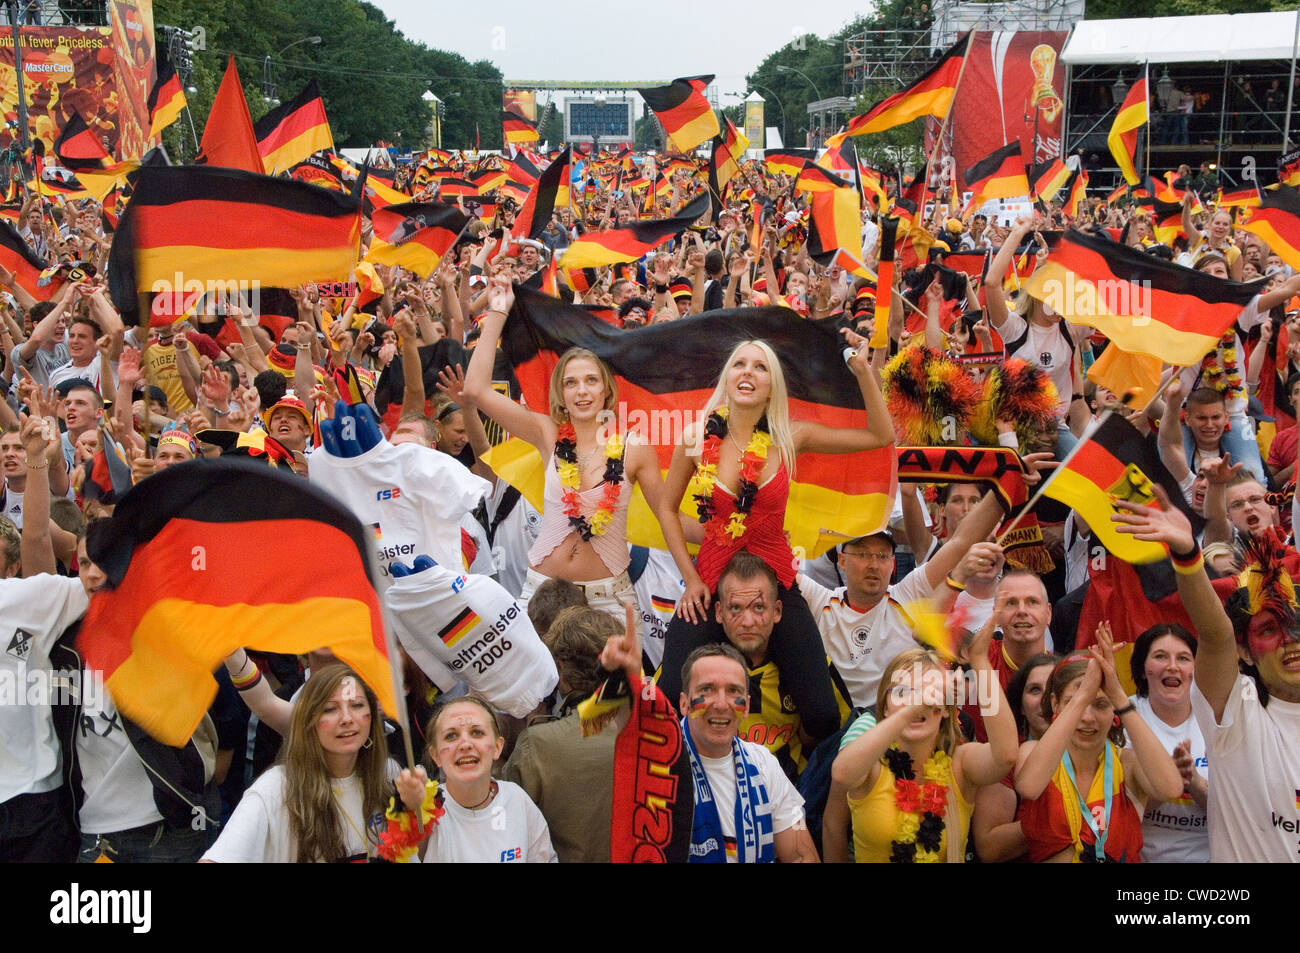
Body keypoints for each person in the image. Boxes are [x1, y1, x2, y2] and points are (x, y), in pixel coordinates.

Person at [656, 332, 895, 746]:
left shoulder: (790, 437)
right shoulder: (696, 437)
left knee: (821, 712)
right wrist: (691, 579)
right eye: (740, 364)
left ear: (772, 385)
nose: (748, 372)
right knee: (663, 703)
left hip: (779, 583)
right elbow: (666, 508)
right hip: (710, 582)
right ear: (727, 377)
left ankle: (799, 781)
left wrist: (862, 372)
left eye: (760, 366)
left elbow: (880, 434)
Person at [462, 276, 701, 623]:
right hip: (541, 591)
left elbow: (671, 517)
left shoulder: (634, 448)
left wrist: (733, 534)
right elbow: (476, 391)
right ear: (560, 394)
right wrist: (497, 311)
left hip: (609, 598)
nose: (582, 391)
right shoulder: (547, 433)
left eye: (591, 380)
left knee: (618, 680)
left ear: (606, 389)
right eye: (570, 383)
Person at [1113, 486, 1300, 861]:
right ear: (1244, 651)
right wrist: (1187, 555)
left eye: (1296, 625)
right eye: (1268, 630)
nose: (1289, 640)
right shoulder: (1236, 711)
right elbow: (1215, 635)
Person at [830, 616, 1019, 863]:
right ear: (885, 707)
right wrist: (911, 709)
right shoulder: (872, 764)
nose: (917, 700)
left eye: (926, 693)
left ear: (943, 710)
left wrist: (980, 661)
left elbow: (1005, 755)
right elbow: (842, 773)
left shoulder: (960, 763)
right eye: (901, 692)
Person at [1016, 624, 1183, 862]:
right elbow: (1029, 787)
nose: (1087, 717)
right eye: (1076, 703)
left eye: (1101, 705)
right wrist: (1084, 693)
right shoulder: (1032, 752)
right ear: (1055, 704)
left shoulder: (1126, 763)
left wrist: (1117, 694)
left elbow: (1171, 788)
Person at [202, 665, 395, 862]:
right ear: (308, 721)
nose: (347, 718)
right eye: (330, 709)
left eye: (357, 705)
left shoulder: (389, 774)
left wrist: (415, 807)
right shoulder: (276, 788)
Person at [395, 696, 556, 863]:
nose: (465, 744)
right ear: (436, 755)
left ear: (497, 747)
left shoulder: (517, 799)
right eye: (451, 736)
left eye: (477, 733)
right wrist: (413, 811)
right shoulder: (426, 809)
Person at [1127, 622, 1209, 863]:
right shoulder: (1123, 715)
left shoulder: (1217, 719)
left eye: (1183, 658)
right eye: (1160, 657)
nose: (1172, 667)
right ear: (1142, 669)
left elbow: (1236, 815)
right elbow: (1117, 815)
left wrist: (1194, 781)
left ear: (1196, 668)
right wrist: (1167, 782)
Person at [971, 652, 1058, 862]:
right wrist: (1057, 818)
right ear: (1020, 706)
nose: (1046, 700)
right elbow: (989, 848)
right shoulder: (1004, 760)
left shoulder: (1095, 754)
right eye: (1035, 690)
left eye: (1055, 689)